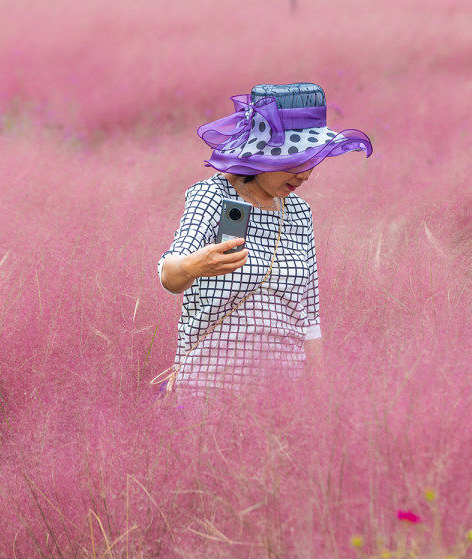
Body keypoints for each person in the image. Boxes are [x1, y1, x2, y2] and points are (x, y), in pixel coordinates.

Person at [156, 82, 372, 400]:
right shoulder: (212, 195)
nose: (306, 173)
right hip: (211, 390)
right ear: (263, 153)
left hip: (282, 394)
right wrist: (194, 266)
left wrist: (319, 398)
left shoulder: (299, 212)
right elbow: (169, 276)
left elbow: (308, 316)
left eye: (313, 159)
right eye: (296, 158)